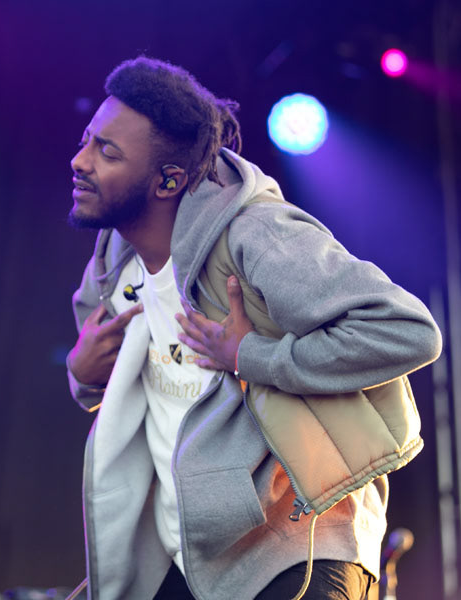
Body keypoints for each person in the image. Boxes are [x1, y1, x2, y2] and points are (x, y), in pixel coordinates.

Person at [65, 57, 442, 600]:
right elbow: (104, 379)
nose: (79, 161)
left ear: (169, 180)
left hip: (297, 547)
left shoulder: (255, 235)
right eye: (87, 141)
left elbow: (407, 330)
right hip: (191, 556)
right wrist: (82, 374)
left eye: (108, 152)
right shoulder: (113, 256)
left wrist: (252, 356)